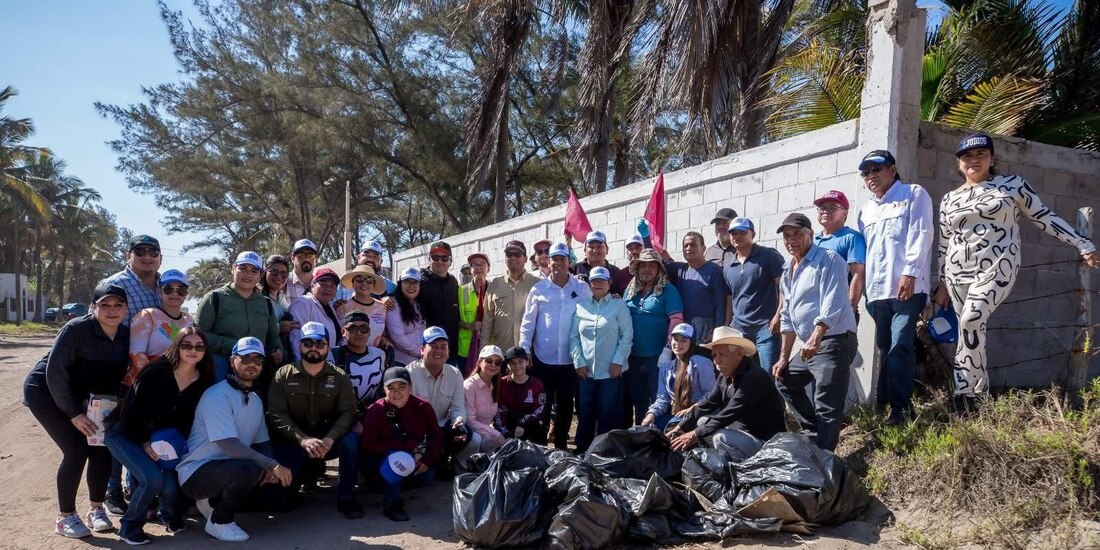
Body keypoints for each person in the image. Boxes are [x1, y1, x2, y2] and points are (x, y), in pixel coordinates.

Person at [933, 133, 1100, 411]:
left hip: (998, 266)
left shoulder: (1012, 185)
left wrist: (1081, 242)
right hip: (956, 272)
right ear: (959, 164)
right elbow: (944, 243)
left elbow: (1044, 216)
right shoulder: (950, 198)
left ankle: (972, 393)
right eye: (967, 157)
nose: (973, 160)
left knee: (971, 320)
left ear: (992, 159)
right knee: (969, 330)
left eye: (980, 155)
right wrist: (941, 284)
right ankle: (970, 395)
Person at [22, 284, 130, 539]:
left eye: (118, 305)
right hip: (47, 394)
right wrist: (73, 413)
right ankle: (65, 517)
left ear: (126, 309)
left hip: (89, 398)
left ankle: (96, 510)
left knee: (101, 448)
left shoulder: (126, 335)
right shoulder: (76, 330)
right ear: (94, 308)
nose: (111, 310)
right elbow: (55, 374)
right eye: (105, 305)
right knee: (76, 449)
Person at [106, 327, 214, 544]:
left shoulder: (204, 381)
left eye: (199, 346)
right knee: (152, 480)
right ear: (177, 346)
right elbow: (131, 413)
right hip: (126, 433)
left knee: (172, 485)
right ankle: (129, 527)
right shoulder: (155, 372)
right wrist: (145, 441)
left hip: (164, 442)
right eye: (187, 345)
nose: (193, 350)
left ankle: (169, 515)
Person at [855, 150, 934, 424]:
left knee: (900, 343)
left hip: (906, 287)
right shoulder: (866, 210)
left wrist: (910, 273)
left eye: (876, 169)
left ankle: (901, 408)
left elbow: (922, 234)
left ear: (892, 169)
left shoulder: (913, 194)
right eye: (865, 173)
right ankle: (884, 401)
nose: (871, 176)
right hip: (877, 292)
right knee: (885, 344)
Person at [772, 213, 858, 452]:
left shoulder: (829, 260)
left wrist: (816, 336)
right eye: (787, 236)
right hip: (811, 344)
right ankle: (814, 434)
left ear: (810, 234)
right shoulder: (788, 270)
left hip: (834, 341)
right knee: (785, 380)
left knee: (826, 405)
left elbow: (833, 303)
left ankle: (824, 459)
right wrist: (783, 358)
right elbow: (787, 316)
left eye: (797, 234)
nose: (792, 240)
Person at [267, 322, 362, 519]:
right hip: (295, 441)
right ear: (299, 346)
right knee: (282, 502)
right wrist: (302, 439)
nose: (313, 348)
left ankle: (346, 496)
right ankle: (306, 475)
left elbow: (349, 412)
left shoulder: (339, 377)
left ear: (328, 347)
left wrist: (330, 439)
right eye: (308, 343)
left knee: (351, 442)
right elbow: (276, 414)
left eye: (319, 343)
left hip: (328, 440)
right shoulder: (282, 375)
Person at [667, 327, 786, 460]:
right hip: (744, 433)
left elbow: (729, 413)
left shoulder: (753, 377)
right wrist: (679, 428)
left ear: (739, 353)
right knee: (702, 422)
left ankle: (736, 470)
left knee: (720, 438)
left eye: (722, 355)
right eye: (714, 355)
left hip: (767, 443)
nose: (717, 361)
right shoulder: (726, 376)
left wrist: (694, 434)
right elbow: (706, 404)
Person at [519, 242, 592, 449]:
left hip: (571, 359)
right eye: (554, 259)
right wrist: (525, 350)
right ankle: (541, 447)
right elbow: (528, 322)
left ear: (569, 262)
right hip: (543, 358)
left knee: (566, 406)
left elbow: (590, 316)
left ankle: (561, 447)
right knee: (543, 404)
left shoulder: (581, 287)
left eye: (563, 259)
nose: (558, 263)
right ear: (548, 262)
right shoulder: (538, 289)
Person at [359, 367, 442, 522]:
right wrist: (403, 447)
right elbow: (367, 446)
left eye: (402, 387)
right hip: (380, 461)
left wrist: (426, 460)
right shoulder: (376, 411)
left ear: (410, 387)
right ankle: (391, 505)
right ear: (384, 390)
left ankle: (394, 485)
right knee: (398, 461)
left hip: (412, 457)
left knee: (428, 476)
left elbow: (437, 437)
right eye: (391, 388)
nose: (396, 393)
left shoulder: (423, 407)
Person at [569, 266, 633, 452]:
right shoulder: (581, 306)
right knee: (586, 412)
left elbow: (627, 336)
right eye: (594, 281)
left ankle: (605, 452)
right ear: (589, 284)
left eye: (602, 281)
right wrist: (578, 361)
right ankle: (583, 450)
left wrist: (618, 361)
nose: (598, 284)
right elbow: (574, 337)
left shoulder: (618, 306)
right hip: (586, 371)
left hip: (611, 371)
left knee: (608, 413)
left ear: (609, 283)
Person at [194, 252, 285, 382]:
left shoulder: (265, 303)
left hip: (256, 370)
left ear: (260, 276)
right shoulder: (213, 298)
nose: (248, 274)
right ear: (233, 269)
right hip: (221, 368)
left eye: (254, 271)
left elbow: (274, 337)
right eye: (243, 268)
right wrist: (234, 346)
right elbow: (199, 336)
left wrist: (279, 351)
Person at [623, 250, 684, 425]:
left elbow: (676, 319)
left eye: (652, 265)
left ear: (659, 269)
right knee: (638, 399)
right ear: (637, 268)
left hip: (657, 358)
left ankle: (658, 437)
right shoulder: (631, 288)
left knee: (659, 400)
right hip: (633, 356)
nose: (647, 269)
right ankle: (641, 435)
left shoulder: (668, 290)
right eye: (643, 265)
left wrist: (667, 350)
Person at [406, 327, 475, 471]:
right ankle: (434, 461)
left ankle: (441, 458)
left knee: (465, 433)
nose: (439, 351)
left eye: (443, 347)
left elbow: (458, 407)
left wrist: (458, 421)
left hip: (442, 428)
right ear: (422, 349)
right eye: (433, 346)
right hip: (418, 432)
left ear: (448, 351)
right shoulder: (409, 373)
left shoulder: (455, 373)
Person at [722, 217, 785, 372]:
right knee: (739, 374)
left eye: (742, 232)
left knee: (769, 373)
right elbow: (730, 298)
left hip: (766, 328)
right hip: (739, 329)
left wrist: (779, 315)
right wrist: (727, 324)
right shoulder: (728, 266)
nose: (737, 236)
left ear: (753, 234)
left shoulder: (768, 256)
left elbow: (785, 287)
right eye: (733, 233)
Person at [651, 227, 729, 347]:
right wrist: (647, 237)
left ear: (703, 248)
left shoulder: (714, 270)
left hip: (706, 331)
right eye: (685, 245)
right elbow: (653, 260)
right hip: (683, 331)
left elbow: (720, 303)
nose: (688, 248)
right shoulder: (680, 269)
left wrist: (718, 331)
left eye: (693, 245)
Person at [125, 269, 195, 386]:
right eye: (168, 289)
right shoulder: (147, 316)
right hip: (145, 384)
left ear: (186, 294)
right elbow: (137, 356)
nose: (174, 294)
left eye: (181, 290)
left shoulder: (189, 320)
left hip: (179, 385)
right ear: (159, 292)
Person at [642, 323, 717, 431]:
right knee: (651, 427)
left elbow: (710, 394)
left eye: (683, 340)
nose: (678, 344)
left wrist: (693, 409)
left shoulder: (702, 363)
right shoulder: (666, 367)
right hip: (678, 416)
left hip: (700, 415)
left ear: (691, 343)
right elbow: (663, 399)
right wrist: (651, 413)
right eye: (675, 339)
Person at [813, 190, 867, 319]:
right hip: (813, 310)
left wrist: (850, 308)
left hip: (838, 310)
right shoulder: (813, 240)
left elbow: (857, 275)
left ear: (845, 213)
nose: (825, 211)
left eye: (832, 207)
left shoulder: (851, 238)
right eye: (822, 208)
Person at [480, 240, 540, 352]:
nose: (513, 257)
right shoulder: (495, 285)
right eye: (509, 254)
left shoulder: (537, 284)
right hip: (501, 354)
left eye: (517, 254)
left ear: (525, 258)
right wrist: (483, 352)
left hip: (530, 354)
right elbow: (487, 324)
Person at [98, 234, 162, 325]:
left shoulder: (169, 287)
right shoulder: (112, 285)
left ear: (161, 258)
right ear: (128, 256)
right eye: (139, 251)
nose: (147, 257)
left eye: (153, 252)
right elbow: (95, 329)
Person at [333, 312, 389, 412]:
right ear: (343, 332)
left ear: (369, 331)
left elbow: (382, 389)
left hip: (371, 411)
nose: (359, 333)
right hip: (340, 412)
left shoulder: (380, 354)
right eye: (352, 328)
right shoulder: (332, 355)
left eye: (363, 328)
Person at [417, 241, 461, 365]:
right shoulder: (418, 281)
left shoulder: (453, 282)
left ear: (450, 261)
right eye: (435, 257)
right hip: (426, 351)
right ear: (429, 259)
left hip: (450, 352)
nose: (440, 261)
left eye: (444, 258)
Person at [288, 267, 342, 360]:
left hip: (327, 365)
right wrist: (305, 369)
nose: (328, 288)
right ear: (312, 286)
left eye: (333, 286)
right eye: (323, 284)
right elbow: (296, 341)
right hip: (310, 367)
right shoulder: (303, 303)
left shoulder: (330, 306)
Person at [462, 345, 508, 456]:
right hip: (467, 433)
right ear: (479, 362)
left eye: (497, 362)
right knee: (476, 439)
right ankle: (463, 468)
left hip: (484, 433)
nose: (493, 365)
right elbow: (469, 422)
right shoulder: (469, 386)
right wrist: (495, 434)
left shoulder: (495, 385)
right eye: (488, 361)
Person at [496, 346, 547, 444]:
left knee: (540, 427)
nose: (517, 366)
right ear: (507, 365)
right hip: (507, 426)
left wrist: (522, 423)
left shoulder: (537, 384)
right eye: (512, 363)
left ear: (527, 362)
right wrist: (506, 434)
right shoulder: (501, 384)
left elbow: (540, 410)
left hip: (529, 425)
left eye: (520, 361)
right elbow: (498, 411)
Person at [336, 265, 388, 347]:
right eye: (359, 279)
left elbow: (383, 333)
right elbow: (340, 336)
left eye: (369, 280)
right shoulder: (343, 308)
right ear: (353, 283)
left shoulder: (381, 307)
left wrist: (384, 339)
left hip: (376, 356)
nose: (364, 283)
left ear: (373, 284)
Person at [386, 267, 427, 366]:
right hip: (402, 363)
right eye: (407, 282)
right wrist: (420, 352)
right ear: (400, 284)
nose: (411, 286)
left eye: (415, 282)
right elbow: (398, 337)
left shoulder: (418, 304)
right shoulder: (393, 305)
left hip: (420, 361)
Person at [458, 252, 491, 373]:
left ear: (488, 268)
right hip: (466, 349)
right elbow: (453, 319)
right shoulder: (462, 290)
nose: (478, 268)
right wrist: (469, 326)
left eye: (482, 264)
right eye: (474, 265)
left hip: (488, 347)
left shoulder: (494, 289)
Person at [574, 231, 627, 295]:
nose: (595, 250)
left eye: (599, 247)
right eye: (591, 247)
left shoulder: (616, 272)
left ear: (607, 249)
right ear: (585, 250)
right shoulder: (574, 270)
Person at [260, 254, 298, 339]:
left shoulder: (281, 297)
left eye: (284, 274)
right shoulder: (258, 298)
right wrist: (278, 328)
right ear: (265, 272)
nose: (279, 277)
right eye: (274, 272)